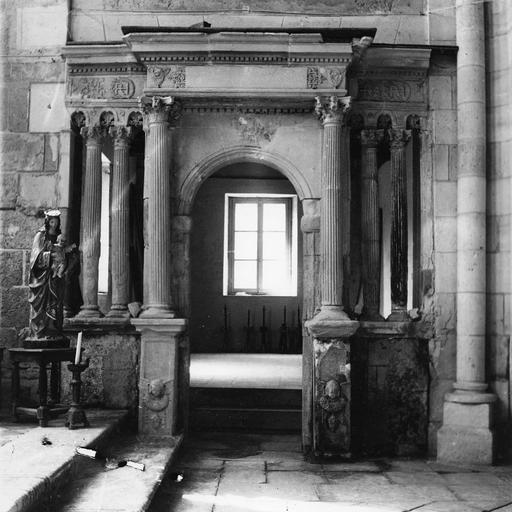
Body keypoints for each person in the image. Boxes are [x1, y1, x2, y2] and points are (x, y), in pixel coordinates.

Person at [28, 210, 67, 338]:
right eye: (51, 222)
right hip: (43, 279)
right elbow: (35, 257)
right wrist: (50, 255)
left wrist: (64, 255)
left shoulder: (59, 236)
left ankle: (53, 329)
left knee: (55, 303)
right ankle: (41, 330)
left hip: (55, 277)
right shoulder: (40, 236)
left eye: (56, 222)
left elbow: (63, 254)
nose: (54, 225)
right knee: (43, 305)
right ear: (47, 221)